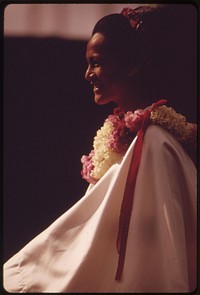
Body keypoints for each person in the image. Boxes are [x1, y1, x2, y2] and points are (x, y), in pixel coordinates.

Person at [3, 4, 197, 292]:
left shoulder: (156, 144)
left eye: (97, 62)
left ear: (131, 65)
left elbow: (162, 253)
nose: (88, 74)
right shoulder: (126, 137)